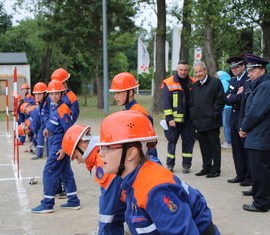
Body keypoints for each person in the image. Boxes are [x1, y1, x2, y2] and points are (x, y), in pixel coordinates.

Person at [96, 110, 220, 234]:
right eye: (101, 147)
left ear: (130, 153)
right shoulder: (132, 179)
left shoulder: (155, 189)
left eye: (107, 148)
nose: (100, 153)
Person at [62, 124, 126, 234]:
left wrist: (102, 231)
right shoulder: (103, 150)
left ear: (83, 146)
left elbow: (108, 202)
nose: (78, 161)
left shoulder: (102, 161)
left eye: (76, 156)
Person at [31, 80, 80, 213]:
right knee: (66, 173)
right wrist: (48, 129)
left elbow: (68, 130)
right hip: (54, 140)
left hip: (59, 145)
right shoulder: (54, 107)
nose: (54, 96)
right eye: (51, 94)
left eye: (56, 94)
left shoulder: (63, 108)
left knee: (48, 172)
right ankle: (73, 201)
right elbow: (54, 122)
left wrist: (64, 149)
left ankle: (47, 204)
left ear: (62, 93)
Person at [239, 54, 270, 212]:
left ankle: (261, 203)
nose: (249, 74)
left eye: (253, 70)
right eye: (249, 71)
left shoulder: (265, 86)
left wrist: (244, 127)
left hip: (260, 137)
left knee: (260, 171)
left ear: (262, 69)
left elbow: (255, 112)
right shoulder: (261, 85)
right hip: (261, 136)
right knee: (262, 170)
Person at [109, 72, 157, 158]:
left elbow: (148, 144)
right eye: (115, 93)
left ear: (130, 92)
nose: (115, 97)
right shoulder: (130, 111)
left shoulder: (137, 113)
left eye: (118, 93)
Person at [190, 61, 225, 178]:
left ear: (205, 70)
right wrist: (193, 117)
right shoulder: (194, 86)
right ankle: (206, 167)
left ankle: (216, 170)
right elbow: (192, 103)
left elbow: (220, 101)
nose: (198, 74)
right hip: (199, 122)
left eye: (200, 71)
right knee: (204, 146)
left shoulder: (215, 83)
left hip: (212, 122)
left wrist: (212, 114)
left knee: (214, 147)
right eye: (196, 72)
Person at [161, 60, 196, 173]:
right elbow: (166, 103)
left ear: (188, 70)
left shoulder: (193, 82)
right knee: (172, 143)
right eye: (181, 70)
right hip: (174, 121)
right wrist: (169, 118)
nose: (183, 72)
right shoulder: (169, 82)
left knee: (188, 143)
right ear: (177, 69)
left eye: (185, 70)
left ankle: (186, 165)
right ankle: (170, 164)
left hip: (189, 120)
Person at [225, 56, 250, 185]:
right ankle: (240, 174)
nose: (234, 69)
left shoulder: (249, 79)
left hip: (244, 118)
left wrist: (234, 96)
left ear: (243, 66)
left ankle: (249, 177)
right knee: (236, 149)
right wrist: (236, 94)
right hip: (234, 119)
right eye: (232, 68)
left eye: (236, 67)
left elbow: (243, 99)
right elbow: (226, 99)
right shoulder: (233, 81)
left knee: (246, 149)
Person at [32, 82, 48, 159]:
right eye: (36, 94)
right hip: (43, 125)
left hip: (48, 127)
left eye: (39, 94)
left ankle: (41, 153)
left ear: (45, 94)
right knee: (39, 133)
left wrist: (46, 128)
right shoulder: (41, 103)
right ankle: (39, 153)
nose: (37, 96)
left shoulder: (47, 104)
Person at [216, 71, 232, 149]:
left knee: (226, 125)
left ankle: (228, 141)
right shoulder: (225, 81)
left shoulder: (223, 82)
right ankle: (227, 140)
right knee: (226, 124)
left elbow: (223, 94)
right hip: (227, 107)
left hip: (226, 107)